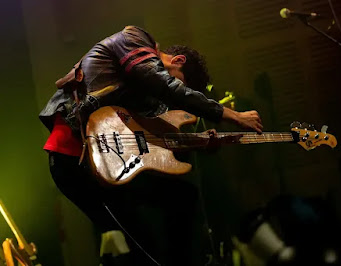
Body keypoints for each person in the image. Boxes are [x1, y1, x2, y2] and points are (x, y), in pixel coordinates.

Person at [39, 25, 263, 265]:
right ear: (177, 60)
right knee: (142, 248)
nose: (177, 94)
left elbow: (147, 142)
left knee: (182, 199)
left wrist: (197, 143)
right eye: (181, 82)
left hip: (109, 162)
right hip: (73, 157)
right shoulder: (133, 38)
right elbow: (168, 87)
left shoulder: (150, 99)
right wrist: (230, 114)